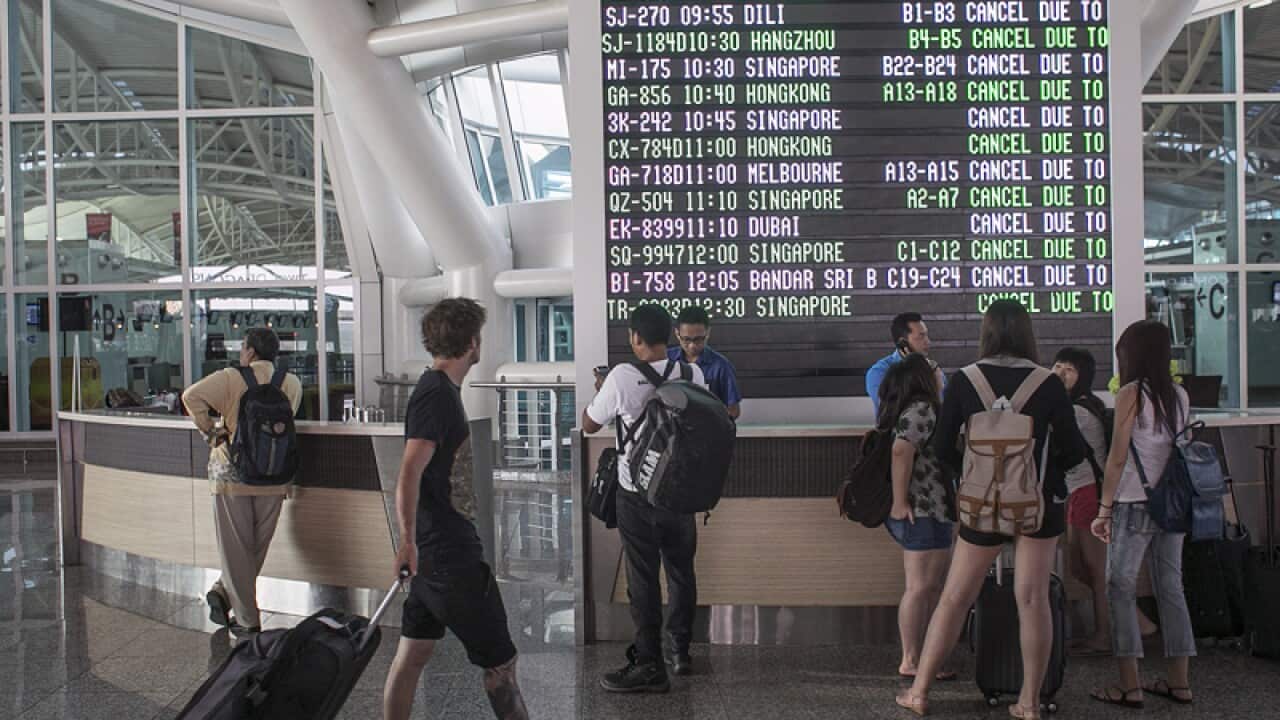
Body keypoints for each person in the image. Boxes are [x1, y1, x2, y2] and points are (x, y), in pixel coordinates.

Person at [896, 300, 1085, 719]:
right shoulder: (1049, 383)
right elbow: (1073, 451)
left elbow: (942, 448)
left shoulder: (965, 380)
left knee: (955, 598)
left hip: (981, 506)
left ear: (987, 333)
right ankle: (1029, 702)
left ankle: (920, 693)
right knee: (1033, 599)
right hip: (1037, 508)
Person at [383, 298, 529, 720]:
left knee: (412, 656)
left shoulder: (440, 390)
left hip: (434, 553)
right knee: (501, 663)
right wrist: (407, 543)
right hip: (448, 554)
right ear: (471, 342)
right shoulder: (437, 396)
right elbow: (409, 472)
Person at [582, 303, 708, 692]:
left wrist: (605, 393)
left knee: (643, 577)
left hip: (636, 494)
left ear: (635, 338)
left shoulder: (621, 376)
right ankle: (680, 652)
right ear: (670, 336)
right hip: (680, 494)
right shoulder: (692, 372)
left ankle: (650, 665)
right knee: (681, 572)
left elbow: (588, 424)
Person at [1090, 321, 1195, 710]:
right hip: (1174, 503)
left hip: (1134, 502)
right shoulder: (1179, 395)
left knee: (1120, 587)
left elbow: (1117, 457)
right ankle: (1179, 683)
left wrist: (1104, 508)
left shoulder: (1132, 394)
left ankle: (1130, 686)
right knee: (1172, 588)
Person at [182, 327, 302, 636]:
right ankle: (223, 592)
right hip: (275, 476)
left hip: (231, 475)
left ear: (249, 352)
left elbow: (190, 397)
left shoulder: (231, 378)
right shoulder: (291, 383)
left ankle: (248, 621)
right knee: (254, 549)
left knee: (237, 549)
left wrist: (213, 433)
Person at [877, 354, 957, 682]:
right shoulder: (923, 409)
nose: (942, 375)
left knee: (929, 587)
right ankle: (911, 658)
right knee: (920, 587)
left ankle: (923, 655)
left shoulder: (910, 408)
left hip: (932, 509)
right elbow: (901, 450)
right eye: (937, 370)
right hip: (922, 509)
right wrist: (898, 502)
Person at [1051, 347, 1113, 657]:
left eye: (1069, 370)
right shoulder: (1082, 404)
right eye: (1058, 366)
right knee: (1078, 565)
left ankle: (1104, 635)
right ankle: (1135, 623)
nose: (1060, 373)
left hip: (1089, 492)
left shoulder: (1076, 410)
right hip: (1081, 492)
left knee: (1094, 568)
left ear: (1083, 376)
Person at [668, 306, 742, 419]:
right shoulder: (666, 360)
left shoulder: (721, 366)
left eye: (698, 339)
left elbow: (734, 410)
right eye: (686, 339)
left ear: (708, 333)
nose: (692, 345)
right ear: (677, 334)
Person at [866, 312, 943, 416]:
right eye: (921, 337)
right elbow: (893, 410)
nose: (928, 342)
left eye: (926, 335)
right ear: (903, 343)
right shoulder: (879, 373)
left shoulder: (933, 370)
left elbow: (943, 407)